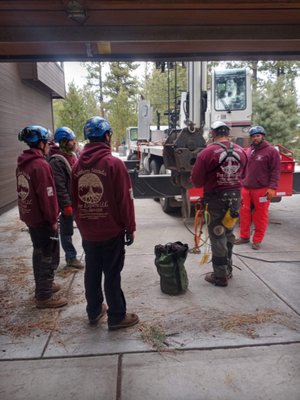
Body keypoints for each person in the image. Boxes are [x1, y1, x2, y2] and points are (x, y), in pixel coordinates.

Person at [72, 116, 139, 329]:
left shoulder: (76, 167)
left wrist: (83, 223)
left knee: (92, 270)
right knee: (111, 273)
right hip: (111, 231)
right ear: (107, 136)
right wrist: (130, 227)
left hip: (89, 232)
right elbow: (125, 200)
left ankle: (94, 311)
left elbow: (75, 199)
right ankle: (117, 316)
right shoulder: (113, 164)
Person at [16, 125, 68, 308]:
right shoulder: (40, 165)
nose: (48, 146)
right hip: (43, 219)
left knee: (38, 251)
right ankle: (44, 296)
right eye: (47, 143)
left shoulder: (23, 163)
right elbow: (48, 196)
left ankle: (44, 285)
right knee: (48, 254)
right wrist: (53, 219)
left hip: (31, 217)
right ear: (40, 143)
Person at [191, 121, 247, 287]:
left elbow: (196, 181)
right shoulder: (242, 152)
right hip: (235, 199)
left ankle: (220, 276)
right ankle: (227, 269)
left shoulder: (207, 153)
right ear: (228, 133)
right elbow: (244, 174)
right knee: (228, 233)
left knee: (217, 236)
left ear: (213, 133)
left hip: (216, 199)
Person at [234, 125, 281, 250]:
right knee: (244, 213)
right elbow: (243, 168)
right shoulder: (249, 151)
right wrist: (241, 181)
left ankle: (257, 240)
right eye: (253, 136)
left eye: (258, 136)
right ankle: (244, 237)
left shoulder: (271, 151)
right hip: (246, 188)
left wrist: (272, 187)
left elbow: (275, 171)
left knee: (260, 216)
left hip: (262, 190)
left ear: (263, 136)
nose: (255, 138)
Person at [49, 127, 84, 269]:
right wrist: (66, 205)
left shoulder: (72, 156)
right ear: (63, 141)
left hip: (78, 200)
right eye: (71, 140)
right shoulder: (56, 161)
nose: (74, 142)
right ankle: (71, 257)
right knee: (66, 231)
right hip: (68, 203)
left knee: (84, 228)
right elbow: (59, 185)